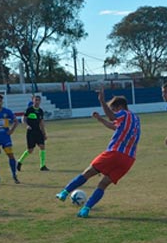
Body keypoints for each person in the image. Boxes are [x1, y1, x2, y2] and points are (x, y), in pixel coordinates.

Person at [55, 87, 140, 218]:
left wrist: (102, 101)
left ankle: (64, 192)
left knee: (88, 173)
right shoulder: (135, 118)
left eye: (114, 109)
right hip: (129, 159)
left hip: (115, 153)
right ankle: (85, 209)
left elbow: (112, 118)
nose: (113, 112)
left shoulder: (124, 113)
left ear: (120, 107)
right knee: (103, 184)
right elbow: (114, 126)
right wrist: (100, 119)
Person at [17, 95, 49, 172]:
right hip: (31, 132)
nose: (37, 101)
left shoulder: (40, 111)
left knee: (42, 146)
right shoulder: (29, 109)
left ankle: (42, 165)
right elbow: (23, 119)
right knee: (30, 150)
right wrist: (26, 125)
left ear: (40, 101)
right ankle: (19, 162)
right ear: (33, 100)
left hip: (38, 131)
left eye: (38, 100)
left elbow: (41, 122)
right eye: (36, 100)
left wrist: (44, 133)